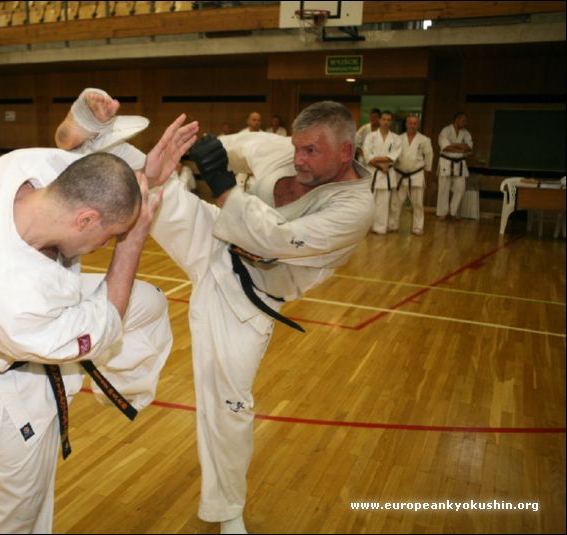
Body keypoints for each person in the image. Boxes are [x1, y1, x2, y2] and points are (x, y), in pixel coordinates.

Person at [63, 91, 374, 534]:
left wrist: (225, 185)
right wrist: (195, 150)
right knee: (157, 186)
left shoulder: (355, 209)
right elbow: (235, 147)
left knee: (228, 408)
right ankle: (95, 133)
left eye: (311, 151)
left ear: (346, 152)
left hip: (250, 300)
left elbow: (275, 240)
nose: (299, 159)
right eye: (297, 147)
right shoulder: (278, 152)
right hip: (216, 237)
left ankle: (228, 512)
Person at [0, 102, 198, 534]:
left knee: (146, 301)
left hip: (34, 306)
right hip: (2, 380)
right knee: (20, 505)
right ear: (86, 220)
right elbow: (104, 328)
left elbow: (73, 148)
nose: (105, 244)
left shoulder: (27, 169)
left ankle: (107, 382)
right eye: (107, 236)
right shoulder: (2, 291)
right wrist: (131, 244)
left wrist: (147, 174)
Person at [390, 115, 433, 235]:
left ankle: (418, 227)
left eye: (415, 123)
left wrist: (427, 171)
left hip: (416, 175)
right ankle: (393, 225)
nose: (413, 125)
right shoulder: (398, 139)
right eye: (410, 123)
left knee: (418, 203)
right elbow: (393, 155)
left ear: (418, 125)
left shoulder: (424, 140)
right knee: (395, 202)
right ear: (406, 124)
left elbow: (429, 156)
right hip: (400, 174)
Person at [363, 111, 402, 234]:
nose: (386, 122)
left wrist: (376, 159)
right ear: (379, 121)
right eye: (384, 119)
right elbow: (367, 156)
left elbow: (393, 157)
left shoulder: (396, 138)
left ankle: (380, 228)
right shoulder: (370, 136)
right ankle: (366, 227)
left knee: (384, 203)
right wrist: (380, 164)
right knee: (369, 202)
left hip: (387, 174)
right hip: (373, 172)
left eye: (388, 120)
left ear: (391, 122)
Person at [436, 111, 473, 221]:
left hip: (460, 163)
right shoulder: (446, 130)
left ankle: (453, 212)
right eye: (463, 120)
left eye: (465, 121)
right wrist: (461, 147)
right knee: (444, 188)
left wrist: (454, 145)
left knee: (460, 188)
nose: (464, 123)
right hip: (446, 162)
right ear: (456, 119)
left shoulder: (466, 133)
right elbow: (445, 147)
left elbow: (469, 148)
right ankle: (442, 213)